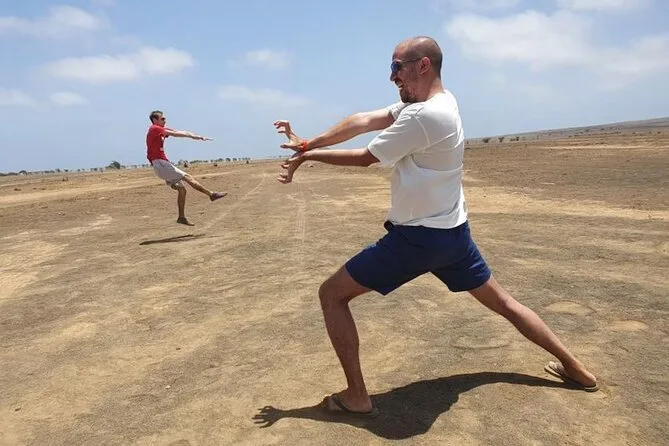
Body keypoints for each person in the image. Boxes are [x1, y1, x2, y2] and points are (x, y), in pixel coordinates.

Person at [274, 36, 598, 419]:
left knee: (332, 294)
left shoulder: (422, 117)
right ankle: (576, 368)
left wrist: (309, 156)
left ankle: (357, 396)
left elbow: (365, 157)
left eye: (396, 67)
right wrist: (310, 141)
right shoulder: (442, 102)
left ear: (423, 65)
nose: (392, 76)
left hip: (416, 240)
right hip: (454, 237)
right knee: (505, 303)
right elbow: (364, 120)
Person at [146, 110, 227, 226]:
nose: (165, 120)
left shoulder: (160, 130)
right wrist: (193, 137)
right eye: (162, 119)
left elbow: (180, 132)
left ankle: (181, 217)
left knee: (182, 190)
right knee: (188, 177)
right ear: (155, 120)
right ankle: (211, 194)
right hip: (161, 164)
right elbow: (177, 134)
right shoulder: (155, 128)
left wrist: (197, 137)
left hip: (161, 165)